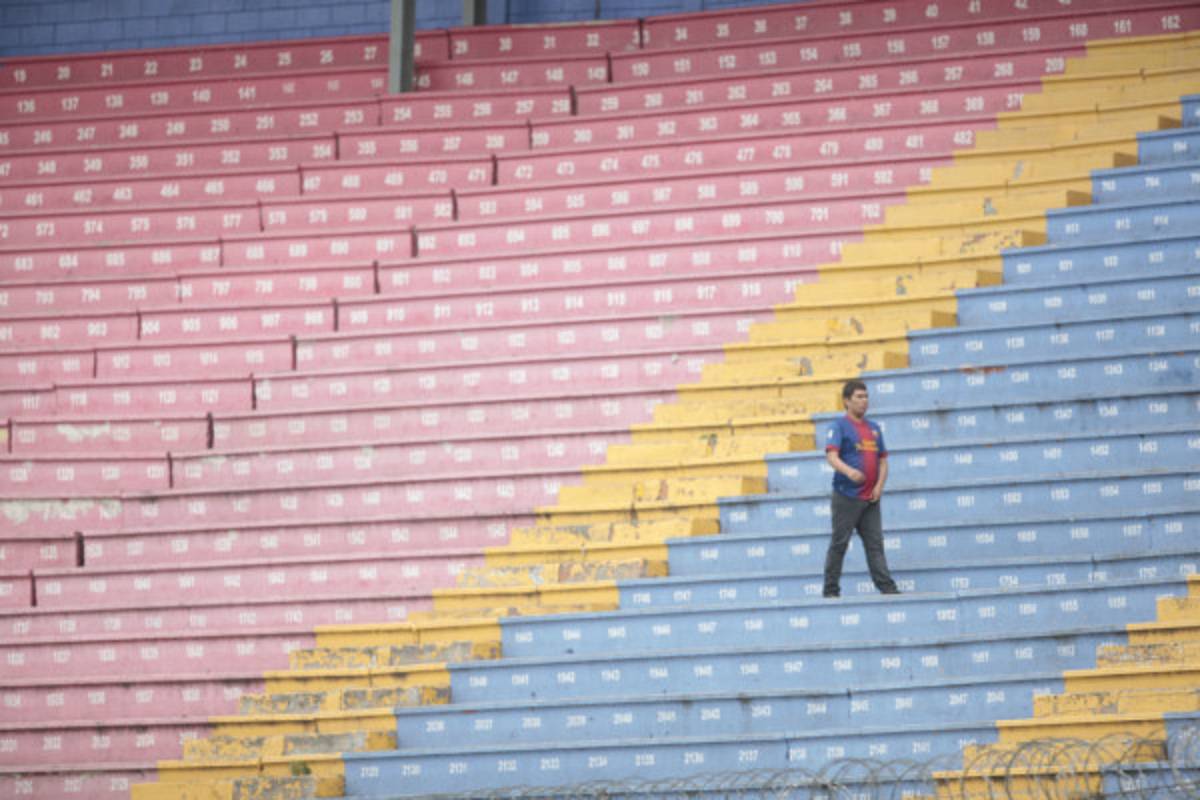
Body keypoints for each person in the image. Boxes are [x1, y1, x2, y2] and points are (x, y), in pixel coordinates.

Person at [822, 379, 900, 598]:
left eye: (866, 396)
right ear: (846, 401)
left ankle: (888, 589)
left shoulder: (874, 429)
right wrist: (849, 472)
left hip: (870, 499)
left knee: (875, 545)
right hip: (846, 496)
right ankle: (830, 592)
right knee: (839, 544)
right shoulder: (838, 426)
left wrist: (880, 486)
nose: (864, 401)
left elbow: (883, 460)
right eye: (859, 397)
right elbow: (832, 456)